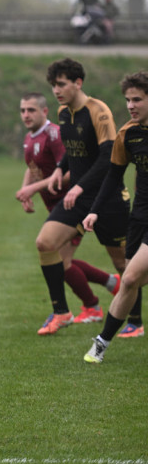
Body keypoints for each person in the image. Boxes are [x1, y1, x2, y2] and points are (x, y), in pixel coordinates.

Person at [33, 58, 142, 336]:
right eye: (53, 85)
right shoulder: (63, 113)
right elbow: (72, 151)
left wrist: (79, 186)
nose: (56, 90)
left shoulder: (98, 110)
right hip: (79, 199)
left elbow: (108, 156)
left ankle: (135, 322)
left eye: (61, 84)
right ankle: (61, 312)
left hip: (108, 198)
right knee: (46, 243)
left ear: (78, 83)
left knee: (124, 264)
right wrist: (60, 170)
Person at [14, 92, 119, 323]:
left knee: (61, 261)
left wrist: (33, 189)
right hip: (56, 207)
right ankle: (111, 283)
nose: (26, 115)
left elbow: (72, 171)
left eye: (31, 110)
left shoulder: (54, 135)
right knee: (59, 259)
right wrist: (26, 190)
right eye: (22, 110)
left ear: (44, 111)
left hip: (73, 204)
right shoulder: (30, 137)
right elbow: (32, 166)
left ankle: (92, 305)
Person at [83, 72, 148, 362]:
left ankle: (100, 342)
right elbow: (113, 176)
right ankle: (103, 344)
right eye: (128, 100)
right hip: (140, 216)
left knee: (131, 275)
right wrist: (95, 210)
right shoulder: (128, 134)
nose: (131, 105)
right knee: (130, 282)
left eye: (138, 100)